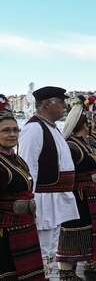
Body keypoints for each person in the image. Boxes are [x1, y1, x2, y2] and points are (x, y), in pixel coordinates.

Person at [18, 86, 79, 277]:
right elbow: (28, 167)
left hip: (55, 198)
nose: (64, 107)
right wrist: (30, 197)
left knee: (50, 248)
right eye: (60, 103)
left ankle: (46, 275)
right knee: (43, 248)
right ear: (46, 105)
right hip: (43, 199)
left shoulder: (51, 128)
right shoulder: (34, 129)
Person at [57, 96, 96, 279]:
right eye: (88, 122)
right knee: (73, 231)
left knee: (88, 229)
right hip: (78, 196)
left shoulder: (85, 143)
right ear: (84, 124)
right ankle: (66, 270)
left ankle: (89, 261)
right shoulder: (71, 145)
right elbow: (65, 173)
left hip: (90, 195)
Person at [0, 96, 46, 281]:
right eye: (5, 130)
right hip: (5, 232)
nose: (12, 134)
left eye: (15, 130)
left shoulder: (17, 159)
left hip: (24, 226)